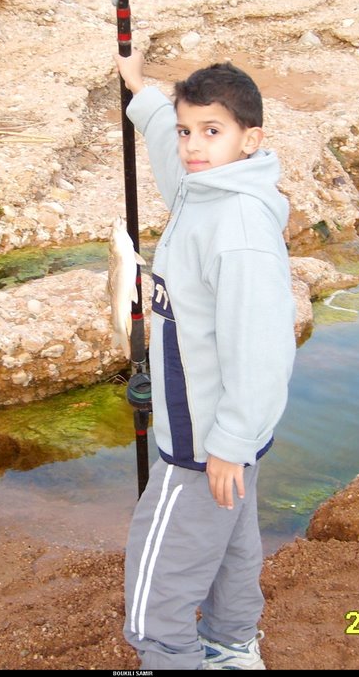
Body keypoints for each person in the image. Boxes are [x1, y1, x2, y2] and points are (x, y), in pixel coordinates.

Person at [113, 49, 297, 670]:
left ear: (252, 138)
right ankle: (230, 646)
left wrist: (228, 441)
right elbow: (173, 155)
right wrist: (142, 94)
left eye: (212, 132)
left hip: (201, 437)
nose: (193, 145)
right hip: (227, 434)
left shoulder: (238, 228)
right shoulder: (206, 188)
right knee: (231, 542)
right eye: (189, 129)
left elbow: (262, 345)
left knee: (156, 577)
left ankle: (169, 658)